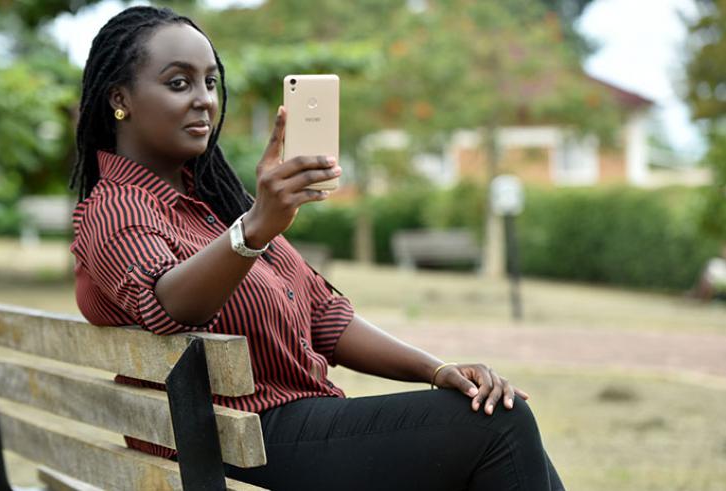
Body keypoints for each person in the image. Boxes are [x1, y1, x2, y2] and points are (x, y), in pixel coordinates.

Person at [69, 5, 564, 490]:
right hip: (230, 444)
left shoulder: (219, 207)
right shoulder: (115, 210)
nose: (204, 100)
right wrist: (254, 229)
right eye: (179, 83)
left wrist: (437, 370)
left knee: (494, 412)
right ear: (120, 99)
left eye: (211, 82)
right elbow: (168, 305)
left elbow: (325, 316)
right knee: (499, 425)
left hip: (283, 432)